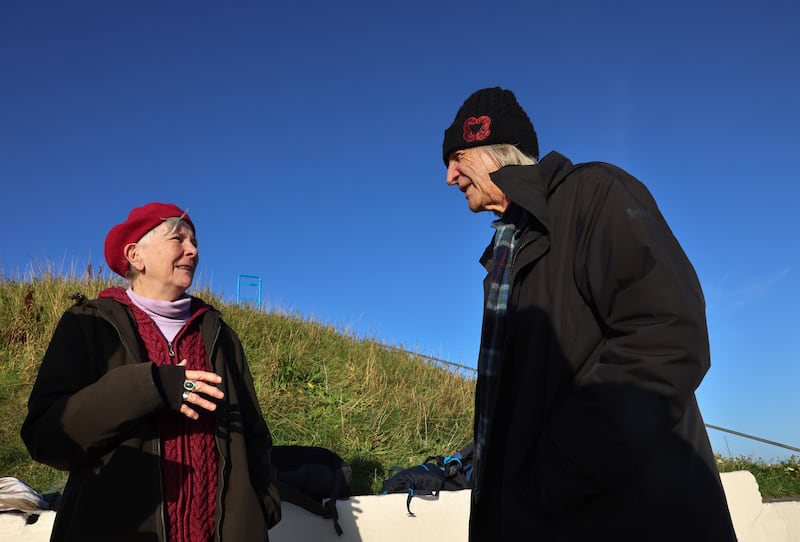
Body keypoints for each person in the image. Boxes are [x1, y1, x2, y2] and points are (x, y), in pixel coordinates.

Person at [442, 88, 737, 541]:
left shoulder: (593, 195)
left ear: (490, 150)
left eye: (457, 158)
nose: (449, 177)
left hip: (630, 519)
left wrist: (549, 476)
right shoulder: (508, 254)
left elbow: (667, 337)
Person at [21, 202, 281, 541]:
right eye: (178, 239)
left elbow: (254, 433)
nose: (193, 250)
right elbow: (47, 437)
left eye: (195, 242)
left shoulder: (220, 334)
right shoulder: (89, 324)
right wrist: (150, 386)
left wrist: (262, 507)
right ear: (135, 256)